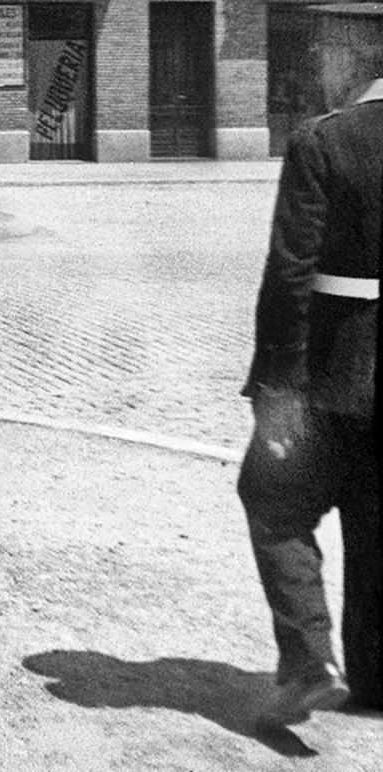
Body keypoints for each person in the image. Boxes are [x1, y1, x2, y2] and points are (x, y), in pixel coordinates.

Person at [235, 40, 379, 729]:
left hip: (331, 368)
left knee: (271, 499)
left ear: (358, 68)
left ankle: (308, 662)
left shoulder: (323, 140)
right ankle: (376, 682)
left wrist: (277, 383)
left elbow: (291, 271)